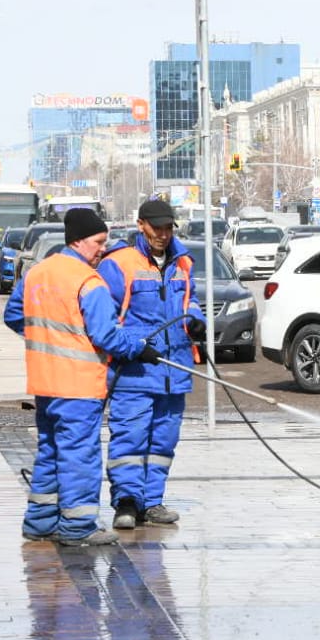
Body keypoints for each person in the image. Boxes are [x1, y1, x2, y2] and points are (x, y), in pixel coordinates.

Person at [4, 208, 160, 547]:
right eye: (98, 242)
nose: (103, 249)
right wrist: (138, 347)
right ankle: (78, 526)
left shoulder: (37, 273)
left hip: (45, 382)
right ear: (78, 241)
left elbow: (14, 315)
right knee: (80, 457)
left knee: (50, 451)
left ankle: (40, 522)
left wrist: (47, 338)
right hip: (78, 385)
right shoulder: (89, 282)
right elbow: (106, 336)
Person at [97, 199, 202, 530]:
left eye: (168, 228)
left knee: (163, 442)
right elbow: (105, 320)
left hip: (175, 371)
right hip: (135, 372)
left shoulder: (183, 262)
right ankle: (127, 502)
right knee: (130, 439)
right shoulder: (119, 264)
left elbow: (191, 299)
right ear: (140, 225)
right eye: (157, 228)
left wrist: (196, 320)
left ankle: (153, 501)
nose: (163, 234)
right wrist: (135, 347)